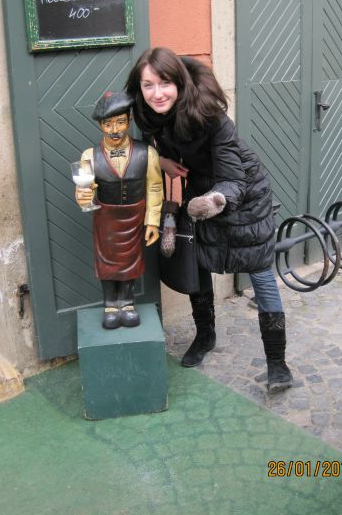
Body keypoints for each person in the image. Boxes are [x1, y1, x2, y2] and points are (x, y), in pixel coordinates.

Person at [125, 47, 293, 391]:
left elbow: (234, 179)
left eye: (165, 83)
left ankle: (278, 364)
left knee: (260, 270)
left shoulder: (210, 117)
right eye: (148, 85)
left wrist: (215, 200)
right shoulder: (146, 113)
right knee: (196, 262)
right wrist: (161, 161)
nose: (157, 93)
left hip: (243, 193)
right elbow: (147, 146)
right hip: (198, 192)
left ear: (179, 83)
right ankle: (205, 335)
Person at [75, 91, 163, 329]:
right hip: (105, 219)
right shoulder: (89, 156)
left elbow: (155, 187)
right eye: (108, 124)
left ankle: (127, 302)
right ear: (100, 125)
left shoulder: (148, 153)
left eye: (120, 122)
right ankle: (110, 305)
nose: (114, 130)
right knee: (106, 261)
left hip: (135, 218)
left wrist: (152, 221)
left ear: (129, 120)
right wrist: (83, 197)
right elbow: (84, 192)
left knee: (131, 261)